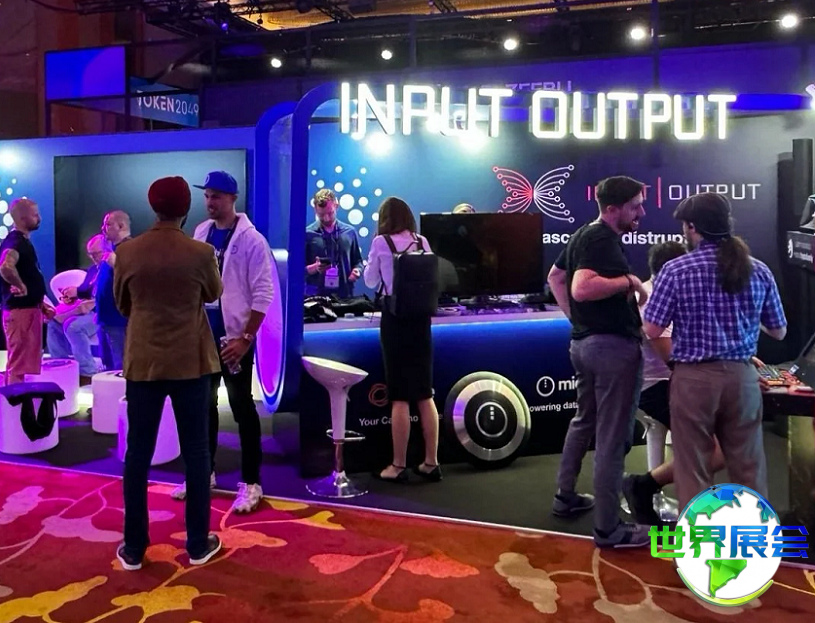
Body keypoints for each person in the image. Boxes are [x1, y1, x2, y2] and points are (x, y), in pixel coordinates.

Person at [643, 192, 787, 512]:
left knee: (693, 468)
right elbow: (779, 331)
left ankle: (699, 542)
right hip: (742, 378)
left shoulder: (676, 270)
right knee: (748, 467)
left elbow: (651, 329)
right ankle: (752, 539)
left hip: (693, 380)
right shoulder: (758, 270)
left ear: (692, 227)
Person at [113, 176, 223, 571]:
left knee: (137, 453)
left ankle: (133, 548)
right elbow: (214, 293)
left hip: (143, 362)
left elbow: (122, 303)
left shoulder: (127, 252)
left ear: (152, 206)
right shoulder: (201, 252)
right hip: (190, 362)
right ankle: (197, 543)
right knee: (197, 452)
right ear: (186, 209)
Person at [547, 176, 650, 548]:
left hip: (585, 345)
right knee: (610, 436)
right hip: (612, 350)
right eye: (634, 206)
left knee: (584, 421)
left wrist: (577, 322)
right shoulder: (601, 239)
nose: (641, 212)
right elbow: (580, 286)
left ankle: (565, 496)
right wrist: (629, 281)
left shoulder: (583, 235)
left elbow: (555, 277)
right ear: (612, 209)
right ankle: (609, 528)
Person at [168, 171, 274, 513]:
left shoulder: (252, 240)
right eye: (207, 196)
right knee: (203, 406)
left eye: (216, 196)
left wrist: (246, 338)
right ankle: (204, 473)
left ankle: (252, 482)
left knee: (242, 408)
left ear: (232, 198)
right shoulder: (201, 232)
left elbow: (264, 292)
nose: (210, 202)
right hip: (202, 334)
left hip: (234, 337)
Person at [622, 241, 726, 525]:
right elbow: (674, 359)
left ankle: (657, 492)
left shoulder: (664, 292)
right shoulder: (653, 299)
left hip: (665, 382)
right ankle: (644, 486)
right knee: (717, 448)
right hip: (654, 387)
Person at [363, 197, 441, 483]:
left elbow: (370, 281)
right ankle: (431, 462)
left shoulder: (381, 243)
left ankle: (398, 465)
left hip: (395, 321)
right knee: (424, 392)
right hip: (421, 321)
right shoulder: (422, 241)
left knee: (399, 395)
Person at [0, 198, 54, 385]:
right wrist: (20, 285)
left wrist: (40, 303)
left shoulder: (22, 241)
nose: (39, 218)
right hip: (21, 314)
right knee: (18, 366)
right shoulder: (16, 241)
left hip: (27, 311)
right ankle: (15, 402)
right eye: (35, 215)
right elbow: (6, 266)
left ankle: (18, 399)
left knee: (21, 365)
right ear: (23, 218)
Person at [47, 234, 106, 384]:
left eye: (96, 253)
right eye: (90, 254)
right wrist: (73, 296)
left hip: (102, 312)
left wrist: (84, 298)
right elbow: (84, 292)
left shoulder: (111, 269)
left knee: (74, 327)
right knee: (54, 323)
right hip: (87, 310)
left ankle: (87, 372)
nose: (93, 257)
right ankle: (61, 366)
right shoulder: (93, 270)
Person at [305, 189, 364, 299]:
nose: (326, 218)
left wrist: (357, 271)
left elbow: (358, 261)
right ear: (315, 210)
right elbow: (297, 270)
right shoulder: (307, 234)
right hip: (315, 298)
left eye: (330, 213)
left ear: (336, 206)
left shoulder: (350, 232)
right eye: (321, 214)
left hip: (344, 296)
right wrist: (315, 267)